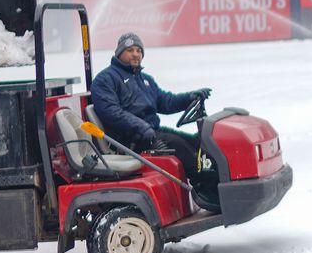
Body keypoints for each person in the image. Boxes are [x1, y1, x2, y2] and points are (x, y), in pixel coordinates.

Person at [89, 31, 219, 210]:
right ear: (119, 53)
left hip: (151, 132)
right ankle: (206, 192)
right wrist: (141, 127)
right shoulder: (106, 80)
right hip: (131, 140)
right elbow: (111, 112)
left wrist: (190, 97)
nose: (135, 54)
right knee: (187, 154)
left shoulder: (145, 80)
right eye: (130, 50)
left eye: (139, 50)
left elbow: (166, 102)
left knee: (197, 145)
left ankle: (213, 187)